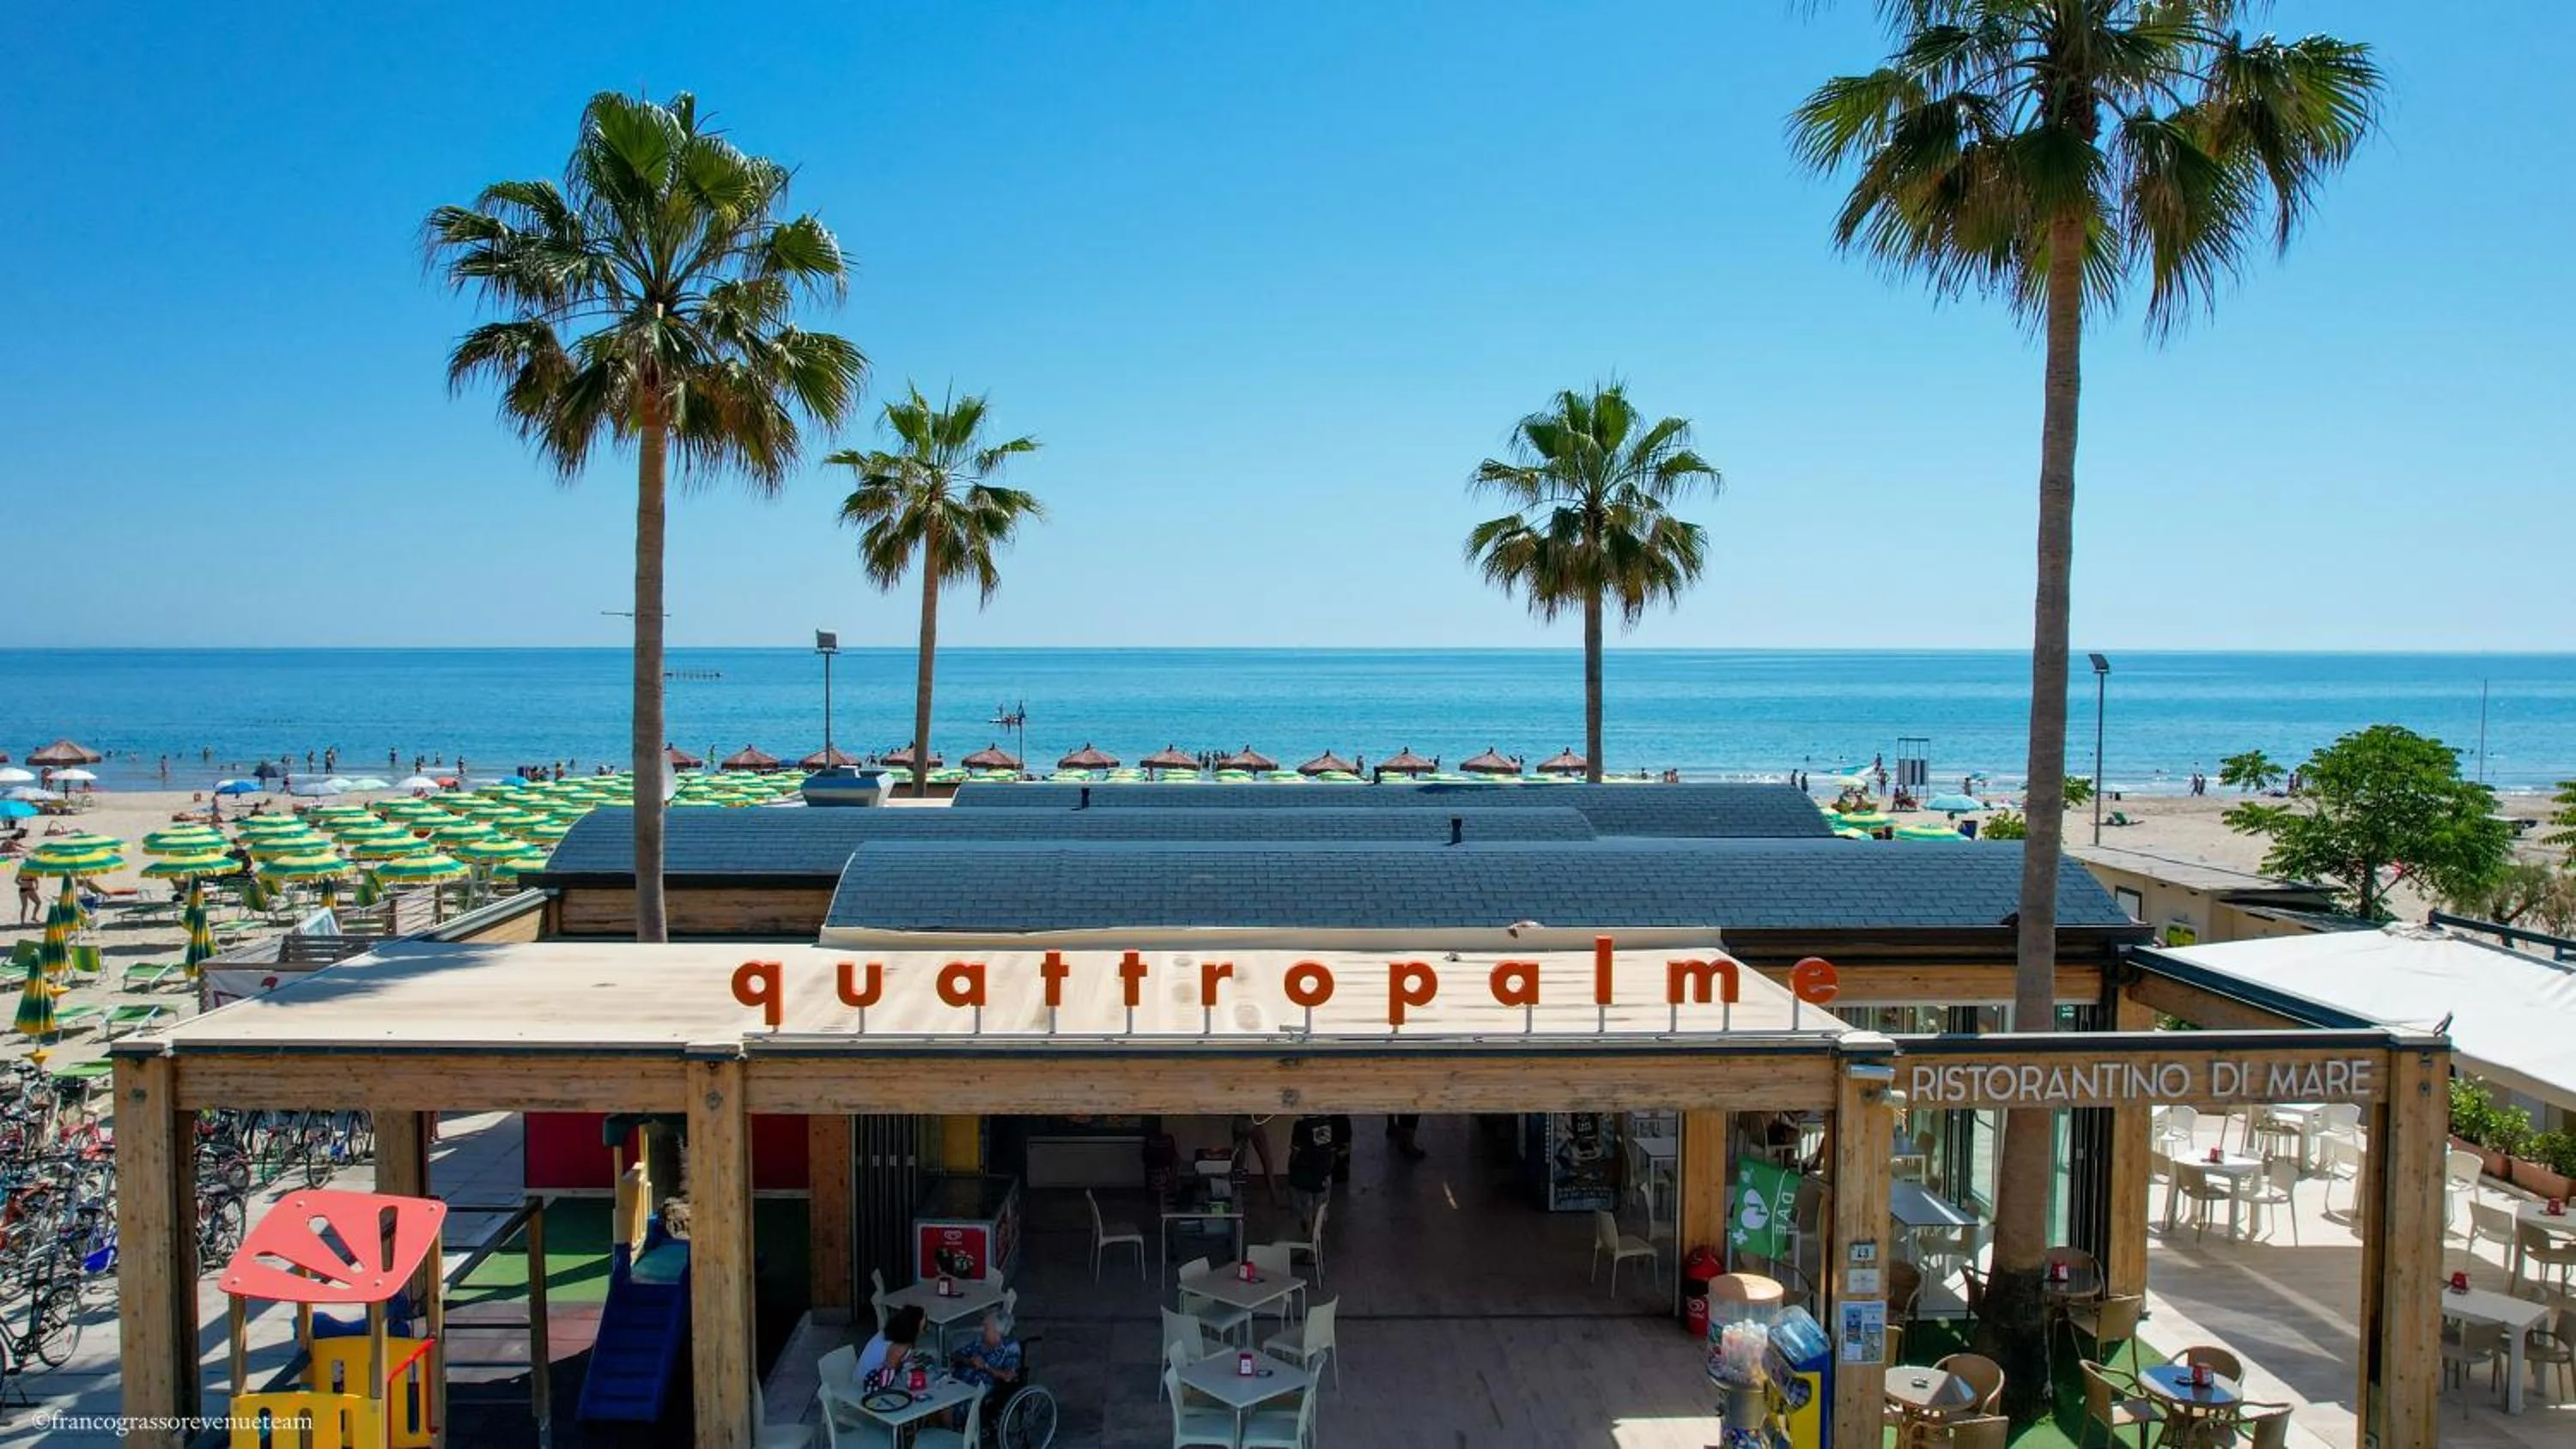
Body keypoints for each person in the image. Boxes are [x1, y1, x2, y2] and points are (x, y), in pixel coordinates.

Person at [1285, 1113, 1340, 1232]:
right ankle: (1316, 1239)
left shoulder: (1301, 1126)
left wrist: (1290, 1167)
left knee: (1305, 1209)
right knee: (1319, 1209)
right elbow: (1331, 1151)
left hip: (1303, 1175)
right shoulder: (1328, 1123)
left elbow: (1295, 1152)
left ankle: (1308, 1240)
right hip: (1322, 1173)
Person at [854, 1304, 926, 1390]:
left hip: (866, 1378)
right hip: (865, 1386)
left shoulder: (893, 1333)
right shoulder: (899, 1345)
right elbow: (888, 1377)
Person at [1230, 1114, 1281, 1204]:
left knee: (1240, 1161)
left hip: (1239, 1121)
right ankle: (1274, 1196)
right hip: (1251, 1122)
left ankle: (1236, 1195)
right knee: (1266, 1160)